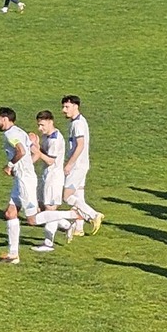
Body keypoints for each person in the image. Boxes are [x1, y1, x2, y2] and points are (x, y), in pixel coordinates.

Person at [0, 107, 46, 262]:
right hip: (21, 178)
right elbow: (35, 153)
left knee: (32, 220)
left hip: (25, 180)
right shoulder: (20, 131)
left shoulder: (10, 134)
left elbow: (21, 151)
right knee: (10, 213)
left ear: (5, 119)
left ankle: (71, 216)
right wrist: (22, 167)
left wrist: (10, 166)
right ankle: (13, 255)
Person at [57, 94, 103, 236]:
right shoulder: (77, 122)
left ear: (75, 106)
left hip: (77, 166)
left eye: (67, 107)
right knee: (79, 196)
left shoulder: (77, 124)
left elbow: (80, 145)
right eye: (63, 107)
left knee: (66, 197)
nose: (64, 110)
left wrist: (69, 164)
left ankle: (93, 215)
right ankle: (79, 228)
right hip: (81, 165)